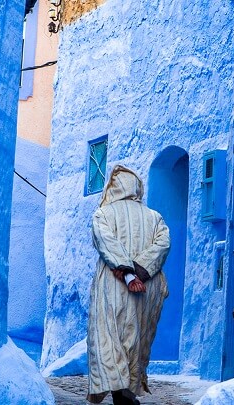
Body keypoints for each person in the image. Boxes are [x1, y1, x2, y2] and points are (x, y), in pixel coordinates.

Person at [86, 165, 171, 405]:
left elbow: (106, 242)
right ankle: (126, 392)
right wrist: (141, 270)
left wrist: (127, 272)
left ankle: (120, 393)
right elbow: (163, 244)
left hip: (114, 284)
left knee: (108, 337)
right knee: (137, 338)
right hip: (149, 286)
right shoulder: (155, 217)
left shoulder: (103, 213)